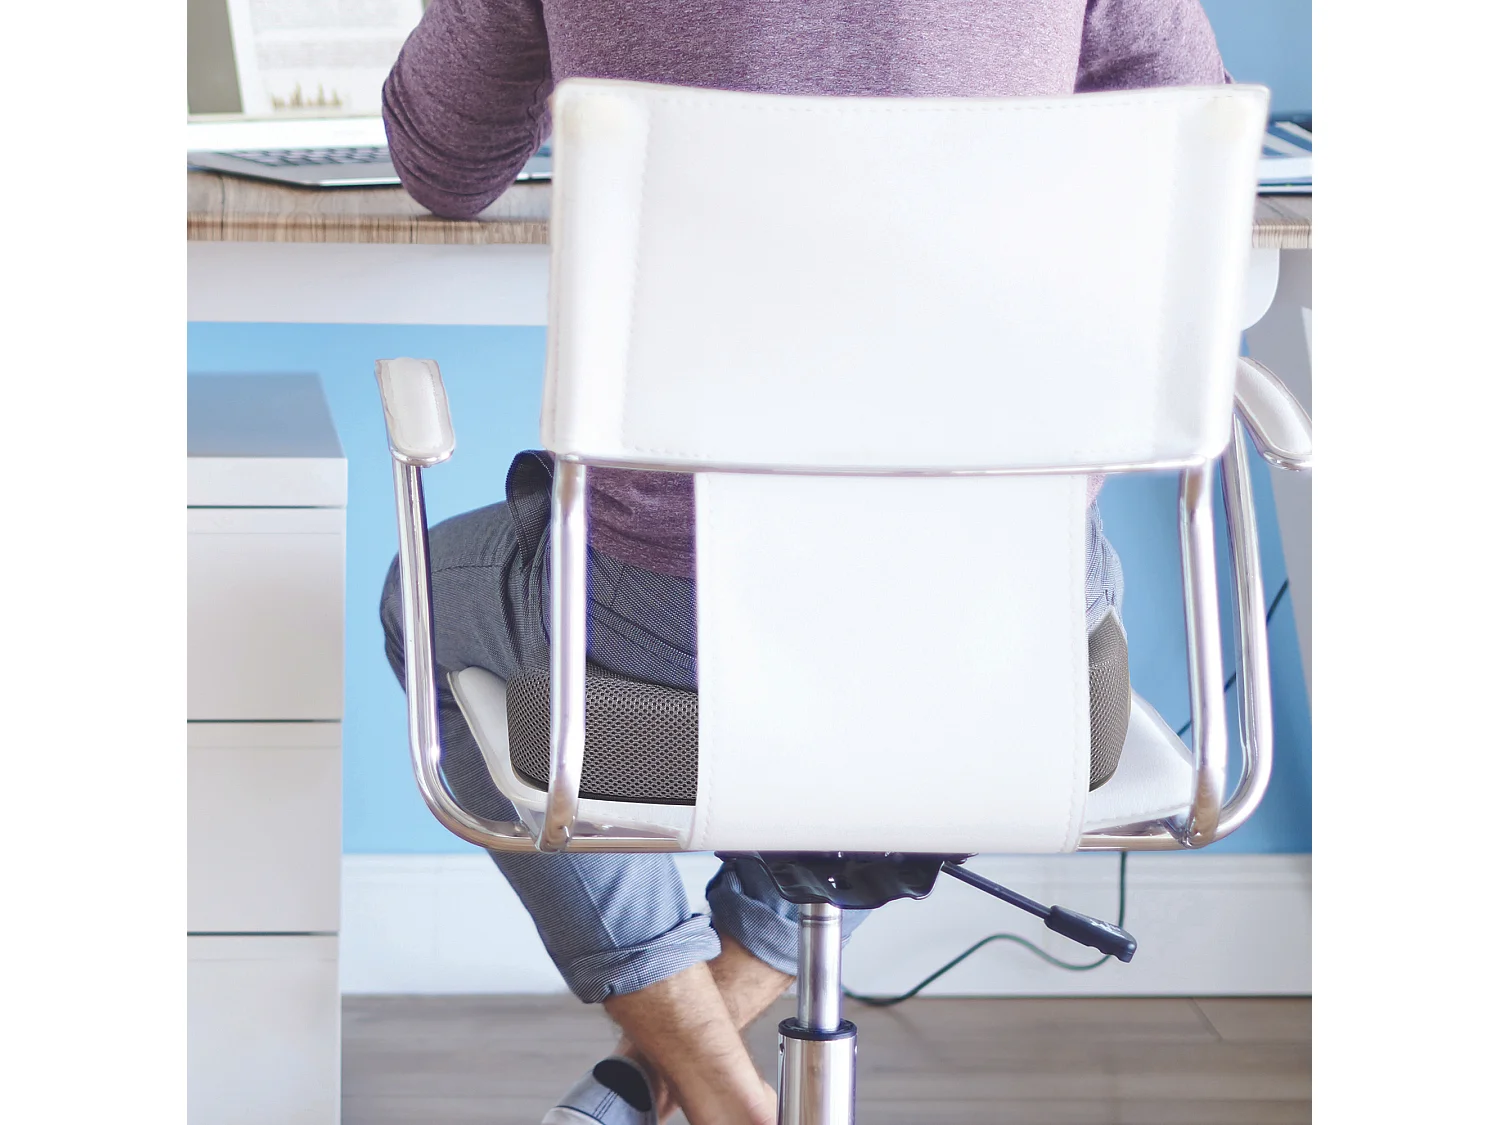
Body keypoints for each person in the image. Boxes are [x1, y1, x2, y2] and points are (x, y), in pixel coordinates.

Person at [379, 3, 1227, 1123]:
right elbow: (1185, 145)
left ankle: (706, 1083)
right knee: (912, 658)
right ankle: (708, 1069)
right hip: (1019, 654)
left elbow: (443, 164)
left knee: (427, 594)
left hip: (672, 636)